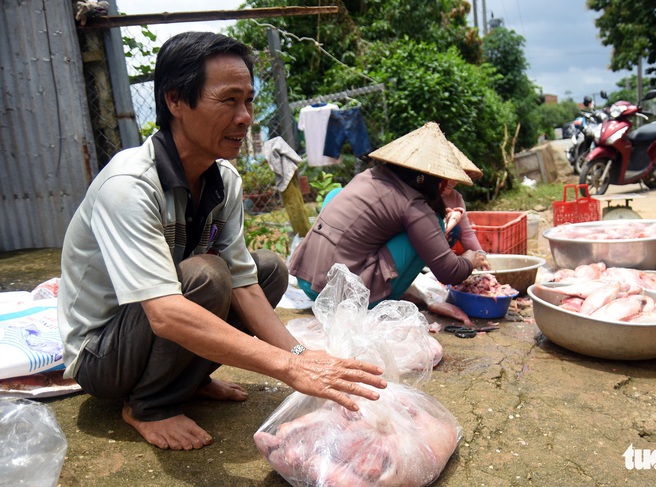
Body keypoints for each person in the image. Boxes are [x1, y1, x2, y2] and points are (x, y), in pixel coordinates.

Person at [57, 32, 386, 451]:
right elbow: (165, 315)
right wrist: (286, 367)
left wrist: (303, 357)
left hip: (148, 330)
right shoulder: (129, 184)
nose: (245, 116)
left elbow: (246, 286)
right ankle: (148, 405)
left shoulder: (224, 179)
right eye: (229, 100)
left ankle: (187, 380)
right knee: (207, 276)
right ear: (175, 100)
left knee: (267, 270)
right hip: (102, 355)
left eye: (248, 100)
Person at [288, 122, 491, 307]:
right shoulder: (413, 204)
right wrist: (469, 260)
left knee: (335, 194)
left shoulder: (368, 176)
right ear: (427, 179)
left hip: (307, 279)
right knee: (433, 226)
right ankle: (383, 299)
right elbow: (449, 272)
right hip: (341, 297)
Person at [441, 141, 484, 252]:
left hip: (438, 251)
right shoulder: (419, 195)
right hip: (417, 248)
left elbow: (467, 234)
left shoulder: (455, 198)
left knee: (456, 229)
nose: (453, 181)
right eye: (449, 176)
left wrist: (481, 256)